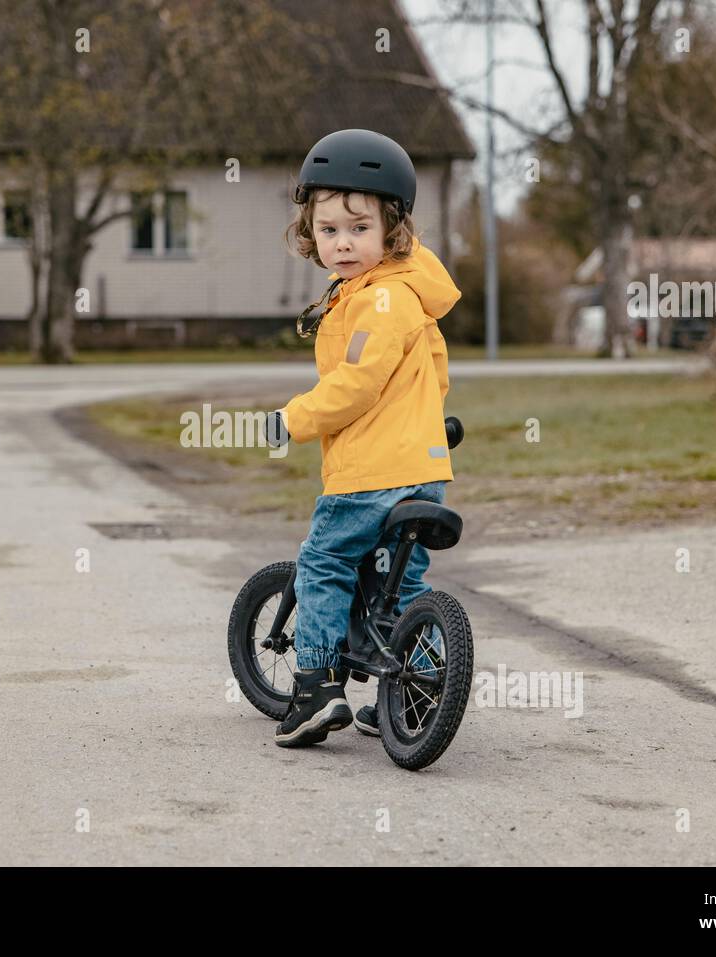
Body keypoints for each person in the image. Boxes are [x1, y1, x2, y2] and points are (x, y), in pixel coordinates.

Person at [264, 129, 462, 747]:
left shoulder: (379, 300)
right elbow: (432, 377)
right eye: (329, 230)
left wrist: (293, 418)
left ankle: (316, 689)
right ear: (309, 233)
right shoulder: (408, 295)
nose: (343, 243)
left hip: (371, 475)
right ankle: (414, 693)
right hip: (423, 469)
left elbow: (357, 384)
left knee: (324, 563)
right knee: (399, 586)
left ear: (393, 230)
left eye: (358, 228)